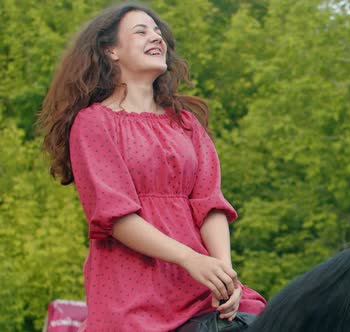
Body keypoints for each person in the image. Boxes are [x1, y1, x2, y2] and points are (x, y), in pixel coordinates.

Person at [38, 3, 266, 331]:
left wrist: (224, 274)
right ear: (111, 50)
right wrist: (190, 258)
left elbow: (210, 204)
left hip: (200, 288)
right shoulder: (94, 123)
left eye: (158, 33)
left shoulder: (186, 123)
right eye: (141, 31)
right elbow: (115, 216)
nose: (156, 37)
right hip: (134, 297)